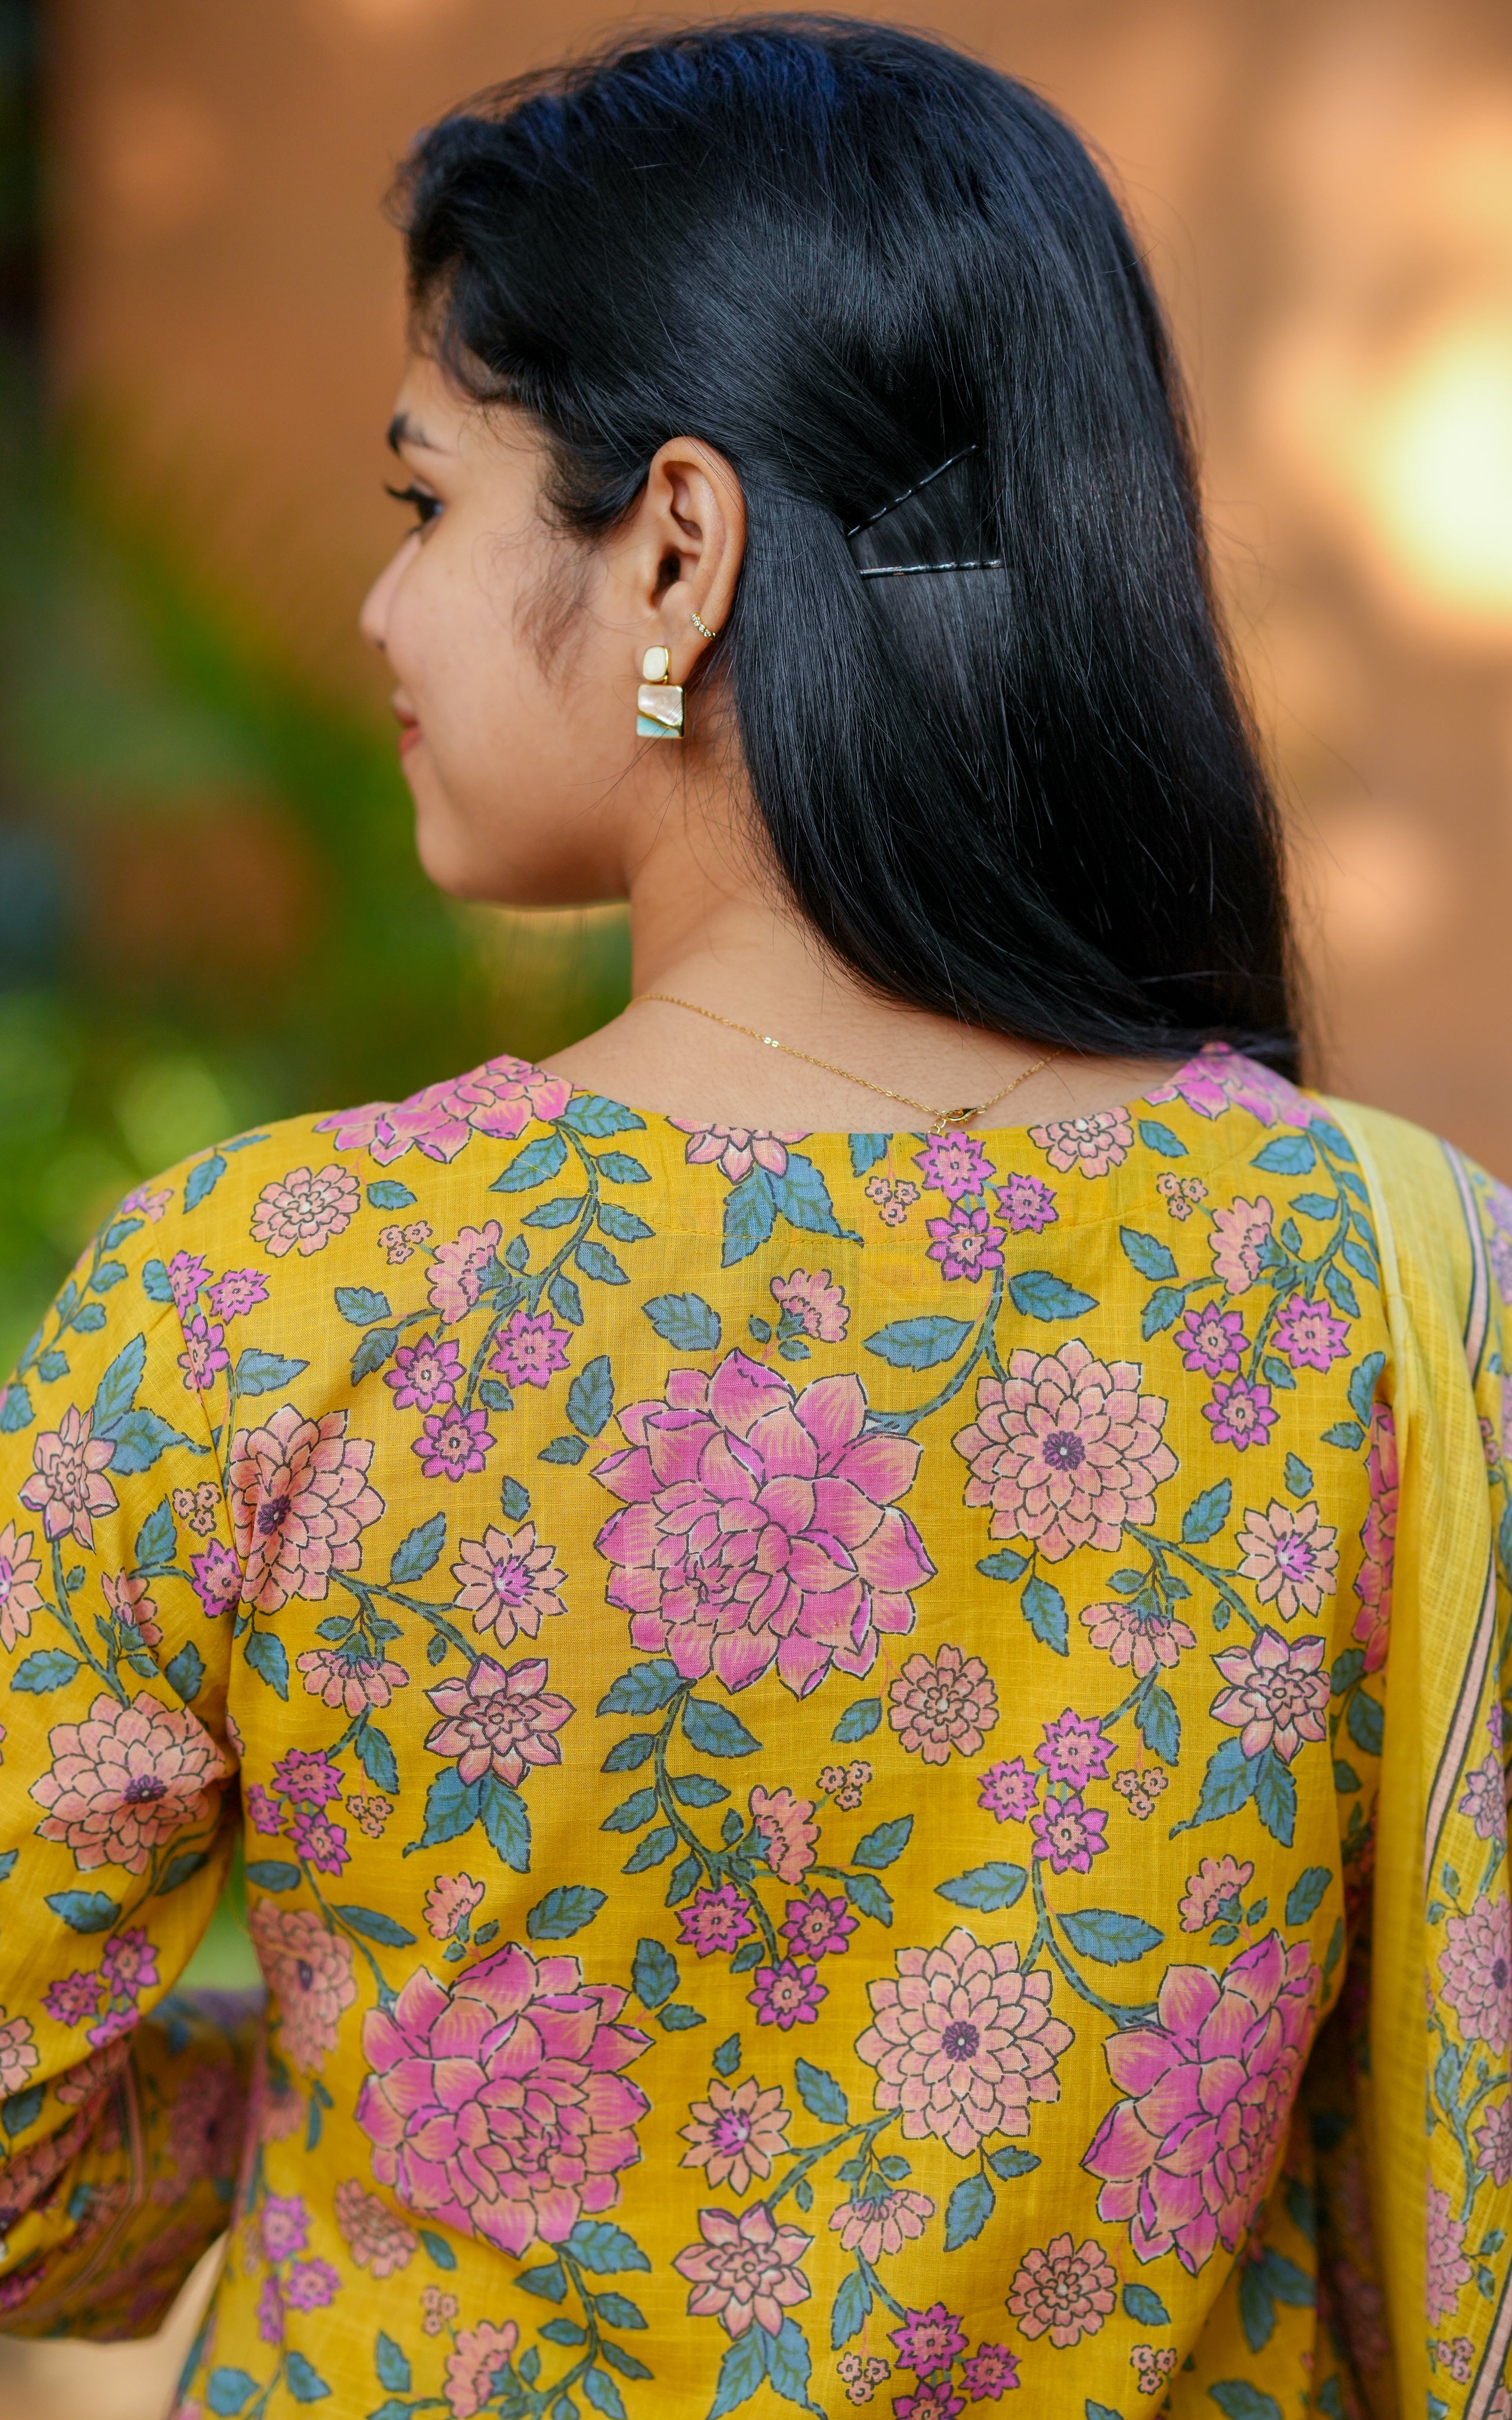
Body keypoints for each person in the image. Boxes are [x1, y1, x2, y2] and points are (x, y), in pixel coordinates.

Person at [0, 18, 1503, 2418]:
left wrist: (338, 2104)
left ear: (673, 543)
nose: (380, 621)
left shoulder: (262, 1297)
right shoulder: (1379, 1277)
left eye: (422, 503)